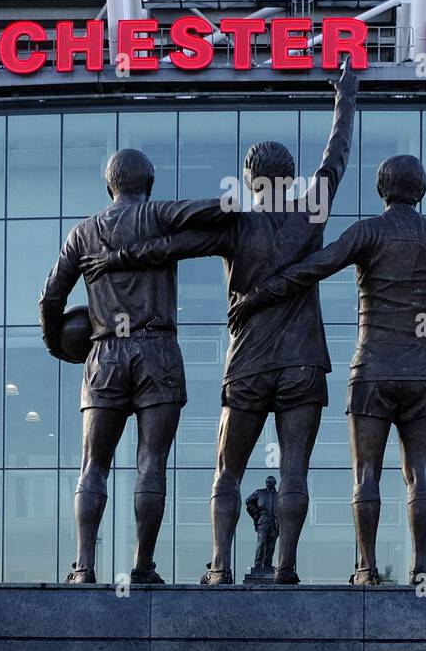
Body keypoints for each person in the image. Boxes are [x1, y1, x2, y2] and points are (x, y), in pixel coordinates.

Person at [81, 60, 358, 585]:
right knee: (296, 470)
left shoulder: (236, 224)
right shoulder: (311, 211)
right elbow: (337, 153)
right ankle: (287, 569)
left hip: (248, 365)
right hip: (303, 363)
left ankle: (222, 566)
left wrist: (114, 259)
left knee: (227, 471)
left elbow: (170, 248)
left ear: (251, 181)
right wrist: (346, 94)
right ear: (291, 177)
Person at [231, 154, 426, 586]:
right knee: (420, 476)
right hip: (421, 371)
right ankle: (421, 568)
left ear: (381, 190)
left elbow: (314, 268)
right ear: (422, 190)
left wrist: (260, 293)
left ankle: (367, 569)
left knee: (365, 474)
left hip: (372, 368)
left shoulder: (367, 232)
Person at [39, 149, 231, 585]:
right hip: (157, 350)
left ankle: (83, 567)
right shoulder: (159, 214)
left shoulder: (83, 233)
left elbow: (50, 297)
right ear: (148, 184)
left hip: (104, 353)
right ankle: (143, 567)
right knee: (152, 462)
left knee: (93, 465)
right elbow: (219, 210)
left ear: (110, 186)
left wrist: (57, 344)